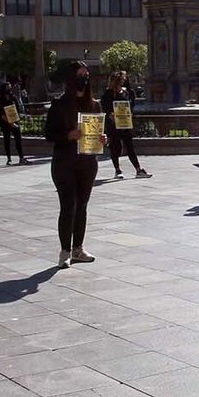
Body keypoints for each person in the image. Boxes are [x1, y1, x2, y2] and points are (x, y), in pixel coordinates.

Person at [46, 61, 104, 266]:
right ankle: (65, 250)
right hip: (65, 162)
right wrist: (68, 135)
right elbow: (49, 134)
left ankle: (78, 247)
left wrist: (102, 138)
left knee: (82, 206)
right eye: (80, 75)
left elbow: (98, 131)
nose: (84, 79)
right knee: (68, 205)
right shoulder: (59, 104)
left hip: (87, 162)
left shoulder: (94, 105)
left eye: (86, 75)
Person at [101, 71, 149, 179]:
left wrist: (129, 112)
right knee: (115, 147)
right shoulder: (108, 94)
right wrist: (110, 114)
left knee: (130, 146)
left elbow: (130, 105)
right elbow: (105, 106)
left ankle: (138, 169)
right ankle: (117, 170)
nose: (123, 82)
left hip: (125, 123)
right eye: (121, 80)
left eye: (123, 80)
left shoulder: (126, 92)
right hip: (114, 124)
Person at [0, 81, 28, 165]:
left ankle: (21, 157)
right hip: (5, 122)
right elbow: (1, 113)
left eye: (10, 87)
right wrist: (10, 122)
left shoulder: (13, 97)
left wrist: (16, 120)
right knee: (7, 140)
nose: (9, 89)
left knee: (18, 140)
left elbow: (17, 109)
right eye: (7, 88)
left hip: (15, 121)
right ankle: (9, 158)